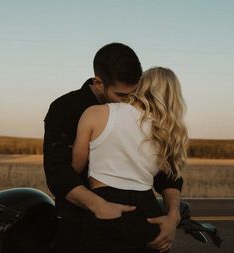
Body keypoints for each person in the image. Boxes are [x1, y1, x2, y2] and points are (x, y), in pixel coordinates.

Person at [43, 43, 184, 253]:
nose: (129, 101)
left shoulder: (140, 113)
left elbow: (167, 173)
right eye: (120, 95)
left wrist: (174, 215)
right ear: (98, 83)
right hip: (79, 219)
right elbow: (59, 173)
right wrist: (98, 205)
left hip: (134, 213)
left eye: (134, 93)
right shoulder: (65, 108)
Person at [71, 67, 188, 253]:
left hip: (105, 207)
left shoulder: (96, 113)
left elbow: (75, 169)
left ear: (141, 85)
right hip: (148, 212)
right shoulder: (167, 132)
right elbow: (171, 177)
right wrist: (173, 216)